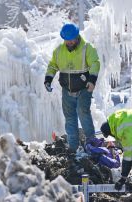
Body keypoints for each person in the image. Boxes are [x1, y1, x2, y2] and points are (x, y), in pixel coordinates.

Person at [44, 23, 100, 152]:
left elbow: (95, 64)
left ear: (77, 37)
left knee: (83, 112)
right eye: (66, 40)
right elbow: (52, 66)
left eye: (71, 40)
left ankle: (91, 143)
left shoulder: (87, 48)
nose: (69, 42)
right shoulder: (58, 51)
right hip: (67, 89)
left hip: (84, 88)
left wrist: (92, 81)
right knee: (69, 117)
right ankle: (73, 147)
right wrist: (48, 79)